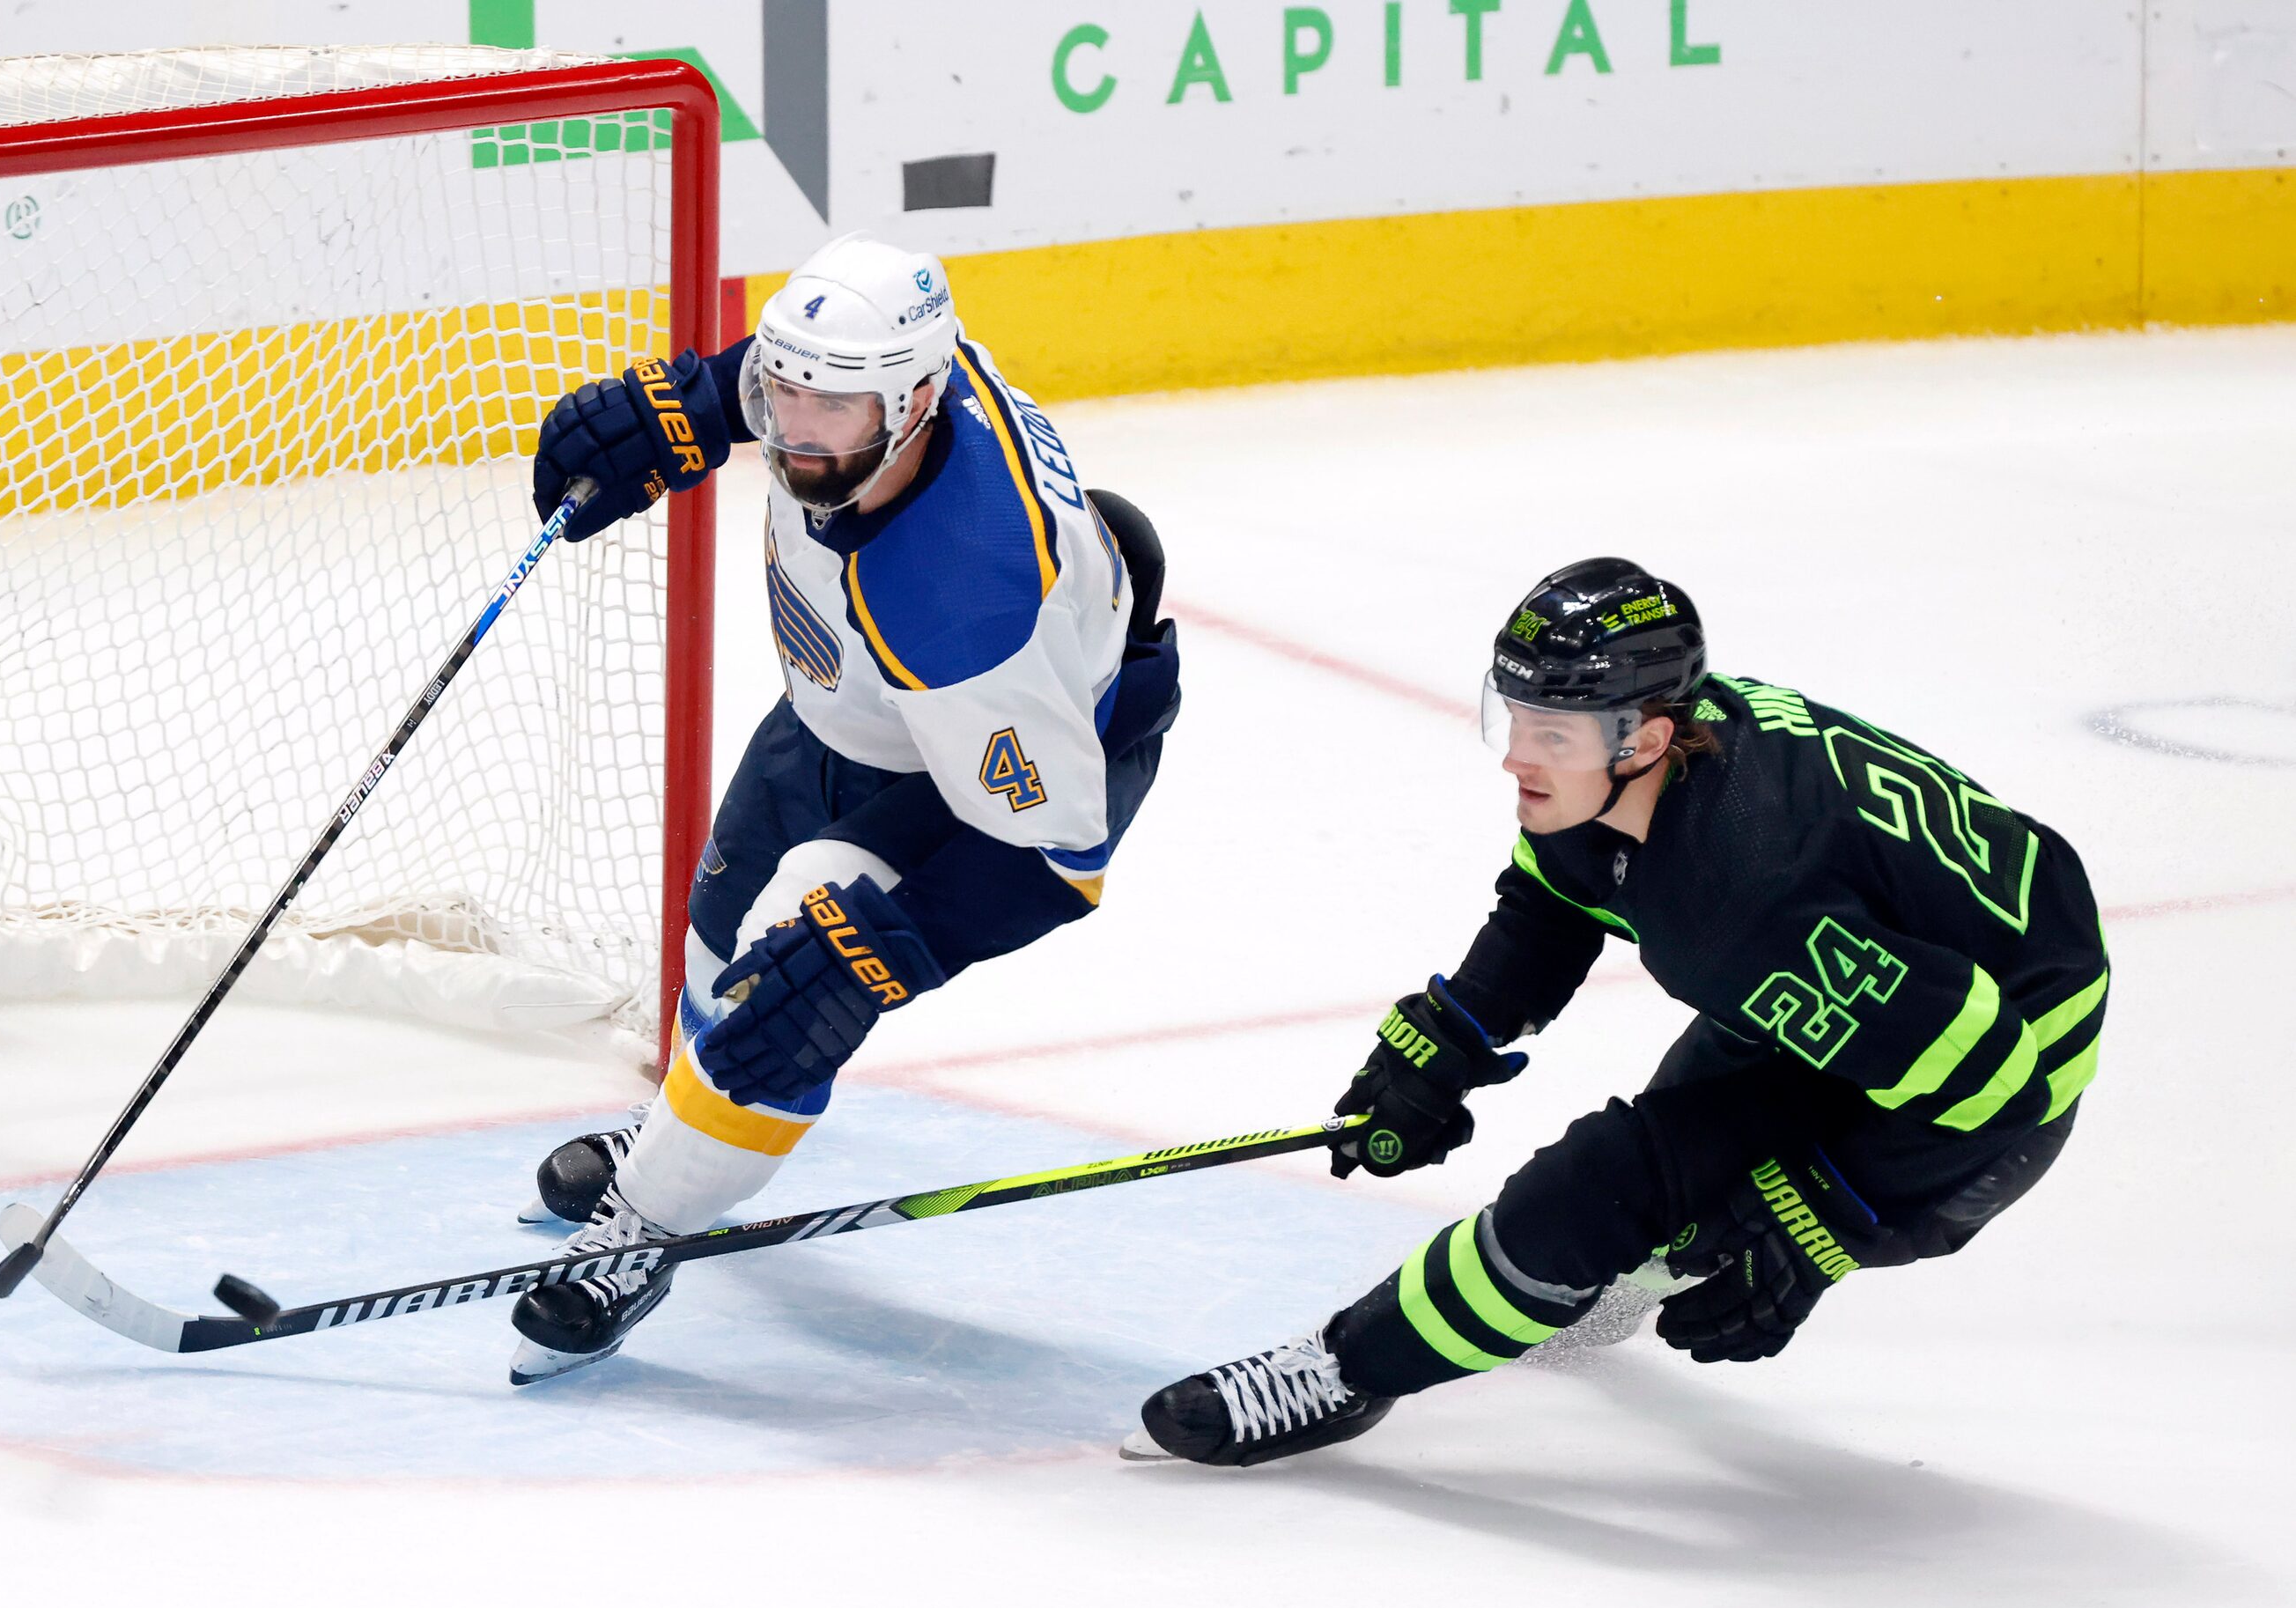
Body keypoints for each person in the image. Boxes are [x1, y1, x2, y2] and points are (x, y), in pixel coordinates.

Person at [1126, 558, 2106, 1464]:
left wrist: (1826, 1216)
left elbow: (1999, 1083)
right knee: (1653, 1193)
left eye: (1552, 735)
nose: (1516, 757)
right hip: (1870, 992)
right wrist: (1453, 1038)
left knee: (1600, 1192)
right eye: (1512, 719)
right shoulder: (1659, 776)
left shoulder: (1743, 895)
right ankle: (1603, 1283)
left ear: (1642, 738)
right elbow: (1554, 896)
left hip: (1978, 1107)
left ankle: (1344, 1371)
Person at [505, 233, 1183, 1383]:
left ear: (918, 401)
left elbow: (1056, 852)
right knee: (716, 951)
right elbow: (779, 388)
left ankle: (643, 1228)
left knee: (782, 1005)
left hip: (959, 787)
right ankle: (676, 1140)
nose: (791, 429)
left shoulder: (959, 598)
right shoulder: (876, 393)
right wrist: (689, 405)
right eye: (782, 391)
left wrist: (883, 950)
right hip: (840, 710)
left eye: (829, 408)